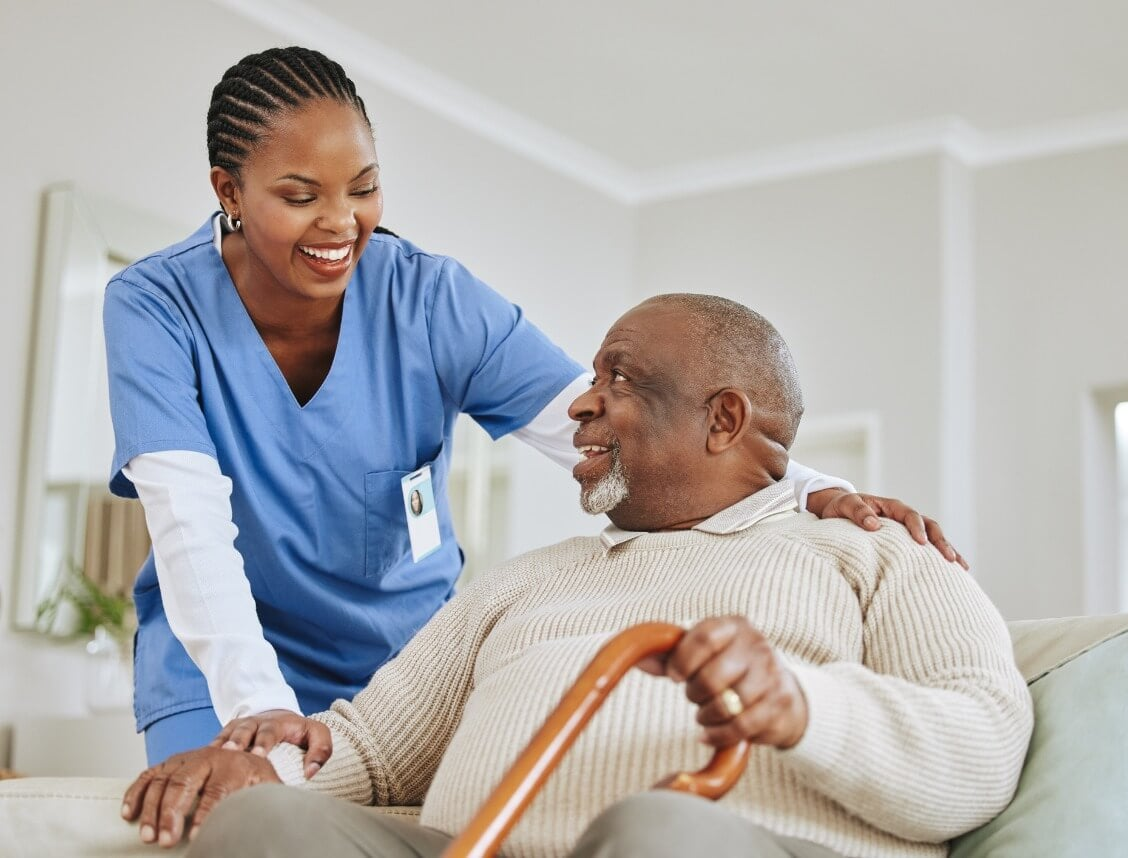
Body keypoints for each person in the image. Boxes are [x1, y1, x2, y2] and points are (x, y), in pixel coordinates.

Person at [104, 46, 964, 768]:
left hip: (401, 668)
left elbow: (604, 428)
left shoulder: (430, 300)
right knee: (230, 825)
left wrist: (806, 485)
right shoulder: (153, 307)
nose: (342, 223)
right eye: (300, 196)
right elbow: (189, 527)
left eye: (363, 188)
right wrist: (258, 704)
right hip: (219, 661)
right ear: (228, 190)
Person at [122, 294, 1031, 857]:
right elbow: (366, 750)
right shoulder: (522, 583)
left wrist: (803, 706)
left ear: (724, 419)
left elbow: (984, 750)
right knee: (262, 827)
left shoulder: (874, 552)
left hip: (722, 846)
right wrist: (252, 771)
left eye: (621, 379)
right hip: (474, 849)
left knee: (660, 831)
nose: (583, 402)